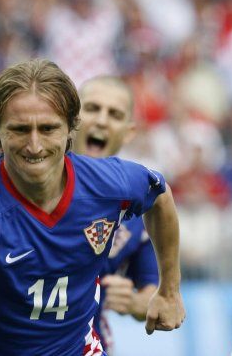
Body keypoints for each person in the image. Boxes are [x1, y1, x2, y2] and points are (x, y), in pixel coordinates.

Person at [0, 59, 185, 356]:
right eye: (20, 129)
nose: (35, 145)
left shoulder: (110, 184)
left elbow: (160, 194)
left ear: (70, 129)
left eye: (48, 128)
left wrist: (169, 291)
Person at [74, 75, 159, 354]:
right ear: (72, 116)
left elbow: (152, 294)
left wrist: (133, 302)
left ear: (129, 131)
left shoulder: (135, 209)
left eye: (114, 114)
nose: (101, 121)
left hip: (87, 342)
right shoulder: (35, 182)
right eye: (92, 108)